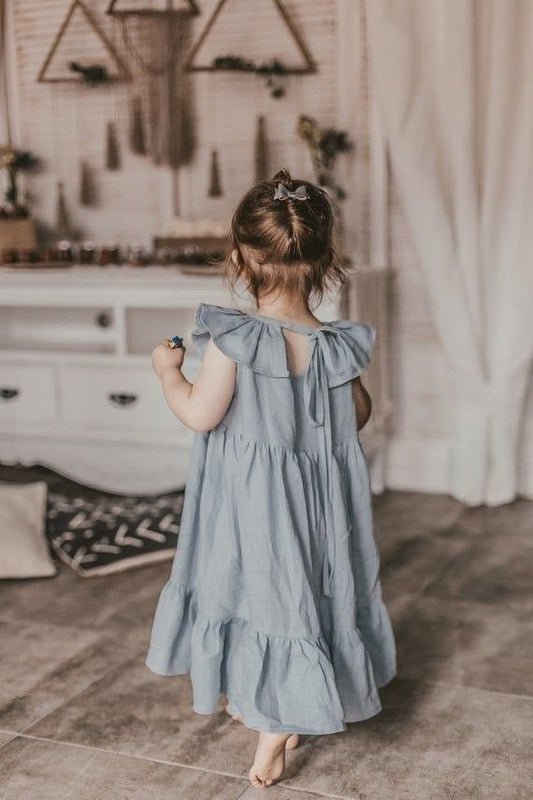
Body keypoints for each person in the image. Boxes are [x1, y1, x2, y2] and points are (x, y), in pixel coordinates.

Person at [146, 169, 396, 788]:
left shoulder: (235, 340)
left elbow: (200, 414)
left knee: (260, 594)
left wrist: (166, 371)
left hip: (251, 508)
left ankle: (273, 727)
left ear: (238, 257)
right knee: (309, 593)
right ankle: (279, 696)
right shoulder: (338, 345)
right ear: (325, 260)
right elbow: (360, 415)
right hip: (321, 505)